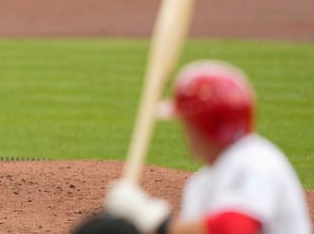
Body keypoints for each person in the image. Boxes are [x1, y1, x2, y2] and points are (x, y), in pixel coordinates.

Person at [105, 60, 313, 234]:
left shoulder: (256, 161)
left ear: (205, 125)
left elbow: (236, 228)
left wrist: (156, 220)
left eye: (188, 122)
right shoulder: (201, 184)